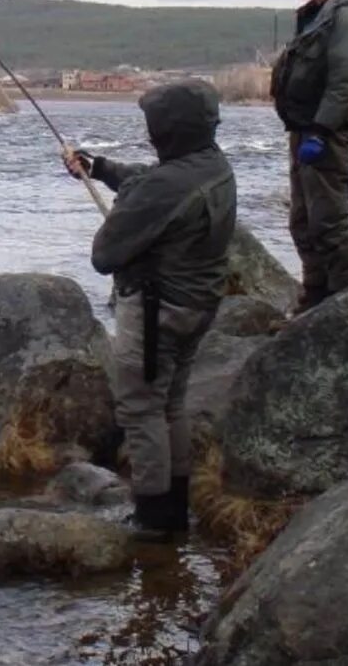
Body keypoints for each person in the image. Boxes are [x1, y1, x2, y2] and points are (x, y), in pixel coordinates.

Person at [64, 80, 236, 535]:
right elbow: (154, 180)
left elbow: (105, 255)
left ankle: (154, 518)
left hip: (158, 313)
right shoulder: (213, 164)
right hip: (198, 306)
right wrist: (98, 168)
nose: (150, 132)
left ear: (169, 130)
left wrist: (127, 209)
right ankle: (174, 508)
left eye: (154, 125)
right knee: (171, 403)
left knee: (141, 408)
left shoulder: (164, 185)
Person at [270, 0, 348, 314]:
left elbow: (346, 80)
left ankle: (344, 302)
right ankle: (314, 296)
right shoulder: (316, 17)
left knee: (330, 220)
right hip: (303, 132)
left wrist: (320, 130)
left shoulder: (345, 20)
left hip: (326, 134)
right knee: (302, 220)